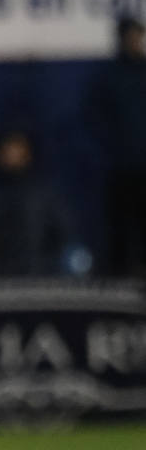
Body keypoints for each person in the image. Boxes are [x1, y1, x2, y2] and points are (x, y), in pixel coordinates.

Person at [87, 16, 146, 276]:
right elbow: (94, 121)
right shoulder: (108, 77)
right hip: (120, 169)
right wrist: (110, 153)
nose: (136, 41)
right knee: (119, 232)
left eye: (139, 35)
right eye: (132, 35)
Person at [0, 129, 77, 277]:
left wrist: (47, 262)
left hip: (37, 276)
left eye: (17, 150)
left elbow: (64, 231)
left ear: (28, 153)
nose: (12, 156)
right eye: (7, 151)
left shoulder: (44, 191)